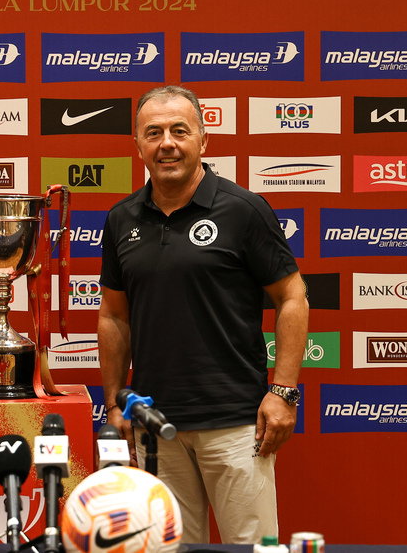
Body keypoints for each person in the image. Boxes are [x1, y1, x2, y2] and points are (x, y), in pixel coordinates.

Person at [97, 85, 308, 544]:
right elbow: (113, 316)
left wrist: (284, 391)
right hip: (155, 426)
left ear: (203, 140)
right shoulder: (121, 219)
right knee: (168, 549)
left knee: (251, 549)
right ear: (137, 144)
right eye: (153, 133)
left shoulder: (244, 210)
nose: (166, 144)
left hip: (237, 422)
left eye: (180, 131)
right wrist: (114, 403)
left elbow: (293, 297)